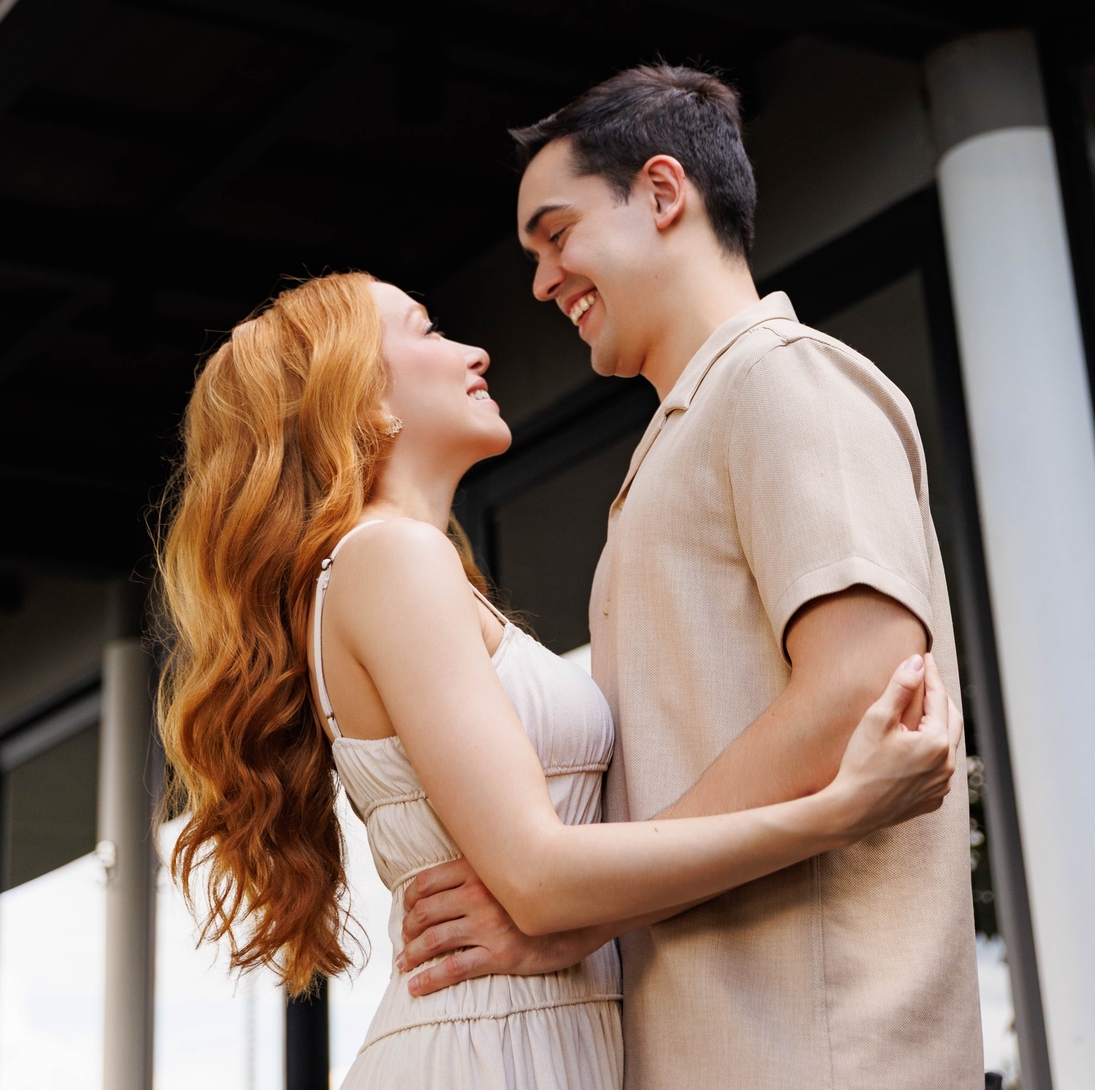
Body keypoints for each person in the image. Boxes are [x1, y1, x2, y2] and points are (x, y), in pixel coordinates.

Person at [157, 267, 961, 1090]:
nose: (475, 352)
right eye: (427, 330)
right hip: (486, 1050)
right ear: (361, 401)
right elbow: (539, 880)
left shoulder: (403, 567)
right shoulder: (390, 557)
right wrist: (837, 811)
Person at [398, 63, 983, 1089]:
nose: (541, 281)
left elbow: (863, 685)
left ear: (664, 192)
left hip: (821, 1050)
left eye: (557, 233)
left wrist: (584, 905)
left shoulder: (782, 374)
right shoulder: (684, 436)